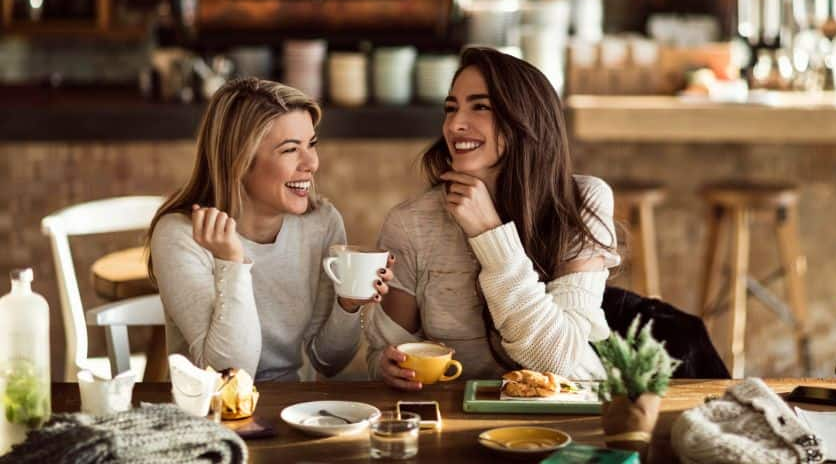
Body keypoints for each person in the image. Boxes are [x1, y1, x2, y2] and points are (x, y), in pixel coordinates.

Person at [366, 47, 620, 390]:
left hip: (560, 416)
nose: (455, 124)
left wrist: (490, 234)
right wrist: (387, 365)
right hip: (452, 416)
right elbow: (384, 353)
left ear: (524, 119)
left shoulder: (581, 202)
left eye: (480, 106)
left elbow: (561, 363)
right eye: (451, 108)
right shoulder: (411, 223)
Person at [147, 78, 393, 382]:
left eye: (311, 144)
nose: (312, 163)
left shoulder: (322, 223)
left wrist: (348, 305)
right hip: (211, 415)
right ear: (239, 160)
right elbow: (230, 375)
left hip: (293, 413)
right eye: (290, 150)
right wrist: (232, 263)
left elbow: (329, 362)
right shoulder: (182, 235)